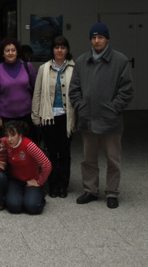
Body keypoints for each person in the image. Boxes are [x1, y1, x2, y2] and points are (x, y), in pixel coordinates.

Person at [70, 22, 133, 209]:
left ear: (107, 39)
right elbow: (74, 90)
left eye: (100, 37)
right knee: (88, 158)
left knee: (113, 158)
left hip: (110, 120)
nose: (97, 41)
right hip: (88, 119)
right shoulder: (82, 61)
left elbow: (127, 90)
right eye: (94, 37)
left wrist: (114, 108)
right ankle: (90, 190)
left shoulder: (120, 61)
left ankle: (112, 192)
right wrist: (81, 107)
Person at [32, 35, 76, 198]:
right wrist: (35, 116)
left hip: (66, 117)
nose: (59, 50)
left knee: (64, 153)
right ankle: (52, 185)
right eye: (56, 47)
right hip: (48, 117)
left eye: (63, 47)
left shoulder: (74, 68)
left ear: (67, 50)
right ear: (52, 50)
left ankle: (63, 185)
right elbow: (37, 93)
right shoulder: (44, 68)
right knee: (50, 152)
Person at [2, 120, 52, 215]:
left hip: (31, 179)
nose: (9, 139)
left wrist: (39, 182)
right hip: (15, 180)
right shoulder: (4, 142)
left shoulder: (29, 145)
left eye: (13, 135)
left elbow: (47, 164)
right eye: (7, 135)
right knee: (14, 207)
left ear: (20, 135)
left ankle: (40, 193)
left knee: (32, 207)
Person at [0, 38, 36, 131]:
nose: (10, 53)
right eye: (7, 50)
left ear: (17, 52)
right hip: (5, 119)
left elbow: (36, 90)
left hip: (27, 117)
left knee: (26, 145)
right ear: (3, 53)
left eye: (13, 50)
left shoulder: (27, 67)